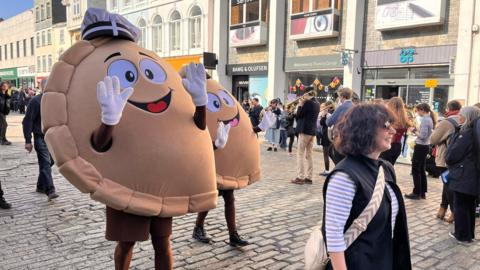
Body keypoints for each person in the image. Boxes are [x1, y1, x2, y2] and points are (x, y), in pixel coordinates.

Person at [322, 104, 411, 269]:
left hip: (382, 259)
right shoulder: (345, 176)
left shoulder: (385, 168)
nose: (392, 131)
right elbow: (334, 236)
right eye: (386, 126)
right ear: (365, 129)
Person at [445, 106, 480, 243]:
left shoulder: (465, 133)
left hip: (463, 175)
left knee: (460, 205)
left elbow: (452, 155)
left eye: (461, 115)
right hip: (472, 175)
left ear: (467, 117)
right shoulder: (475, 132)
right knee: (469, 205)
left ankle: (461, 235)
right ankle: (469, 234)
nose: (459, 117)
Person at [22, 78, 59, 201]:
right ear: (43, 87)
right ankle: (50, 190)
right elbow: (27, 121)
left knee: (51, 161)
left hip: (52, 137)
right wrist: (28, 141)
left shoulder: (55, 101)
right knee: (45, 163)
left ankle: (40, 185)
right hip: (40, 137)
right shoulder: (35, 101)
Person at [430, 100, 462, 223]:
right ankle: (442, 208)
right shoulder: (462, 118)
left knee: (448, 185)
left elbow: (433, 139)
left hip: (445, 159)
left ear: (448, 108)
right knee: (447, 184)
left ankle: (453, 212)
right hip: (457, 159)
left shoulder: (446, 122)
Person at [405, 103, 437, 200]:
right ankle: (422, 192)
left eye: (418, 110)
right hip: (425, 146)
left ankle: (416, 192)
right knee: (421, 169)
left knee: (416, 169)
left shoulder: (425, 120)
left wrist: (414, 131)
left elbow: (422, 136)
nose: (417, 113)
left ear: (422, 110)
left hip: (421, 146)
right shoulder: (430, 119)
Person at [291, 92, 320, 184]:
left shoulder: (307, 103)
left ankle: (300, 177)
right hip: (312, 131)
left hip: (304, 131)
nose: (303, 97)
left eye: (304, 95)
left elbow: (299, 115)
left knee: (300, 154)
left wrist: (300, 105)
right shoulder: (317, 103)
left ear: (307, 94)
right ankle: (309, 177)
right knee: (309, 155)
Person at [380, 97, 412, 165]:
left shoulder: (390, 119)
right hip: (397, 146)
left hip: (388, 145)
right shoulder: (404, 119)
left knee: (382, 169)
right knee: (390, 169)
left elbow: (382, 127)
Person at [326, 88, 354, 164]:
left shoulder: (342, 107)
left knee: (333, 154)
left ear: (342, 96)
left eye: (339, 96)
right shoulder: (354, 106)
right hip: (351, 137)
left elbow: (329, 122)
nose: (339, 98)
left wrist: (328, 116)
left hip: (341, 137)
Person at [319, 100, 335, 176]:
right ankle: (335, 167)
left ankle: (327, 170)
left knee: (326, 154)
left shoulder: (329, 114)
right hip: (328, 134)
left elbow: (323, 123)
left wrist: (324, 115)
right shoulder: (332, 113)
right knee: (330, 154)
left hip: (327, 135)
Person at [0, 81, 12, 145]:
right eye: (4, 86)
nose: (5, 87)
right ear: (1, 86)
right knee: (5, 124)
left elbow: (7, 103)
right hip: (0, 112)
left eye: (6, 86)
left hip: (4, 112)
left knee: (1, 125)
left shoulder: (6, 93)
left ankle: (3, 139)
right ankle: (2, 139)